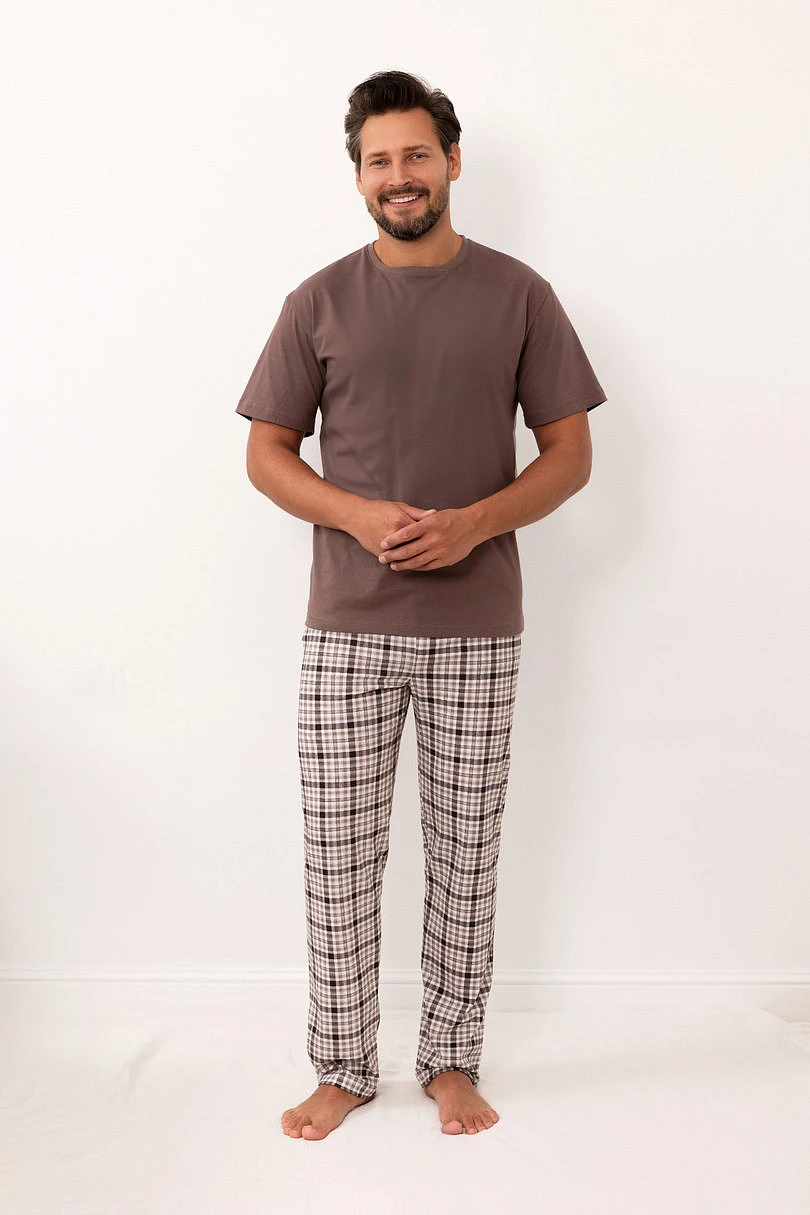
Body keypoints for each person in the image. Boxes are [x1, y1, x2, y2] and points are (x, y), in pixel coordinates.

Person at [236, 69, 607, 1140]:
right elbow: (266, 453)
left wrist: (475, 523)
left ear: (451, 161)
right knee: (339, 857)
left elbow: (571, 453)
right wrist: (354, 516)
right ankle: (344, 1065)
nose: (397, 175)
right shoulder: (316, 300)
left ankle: (450, 1058)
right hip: (345, 627)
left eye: (414, 155)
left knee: (465, 856)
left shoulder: (520, 295)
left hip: (477, 628)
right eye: (378, 160)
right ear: (358, 177)